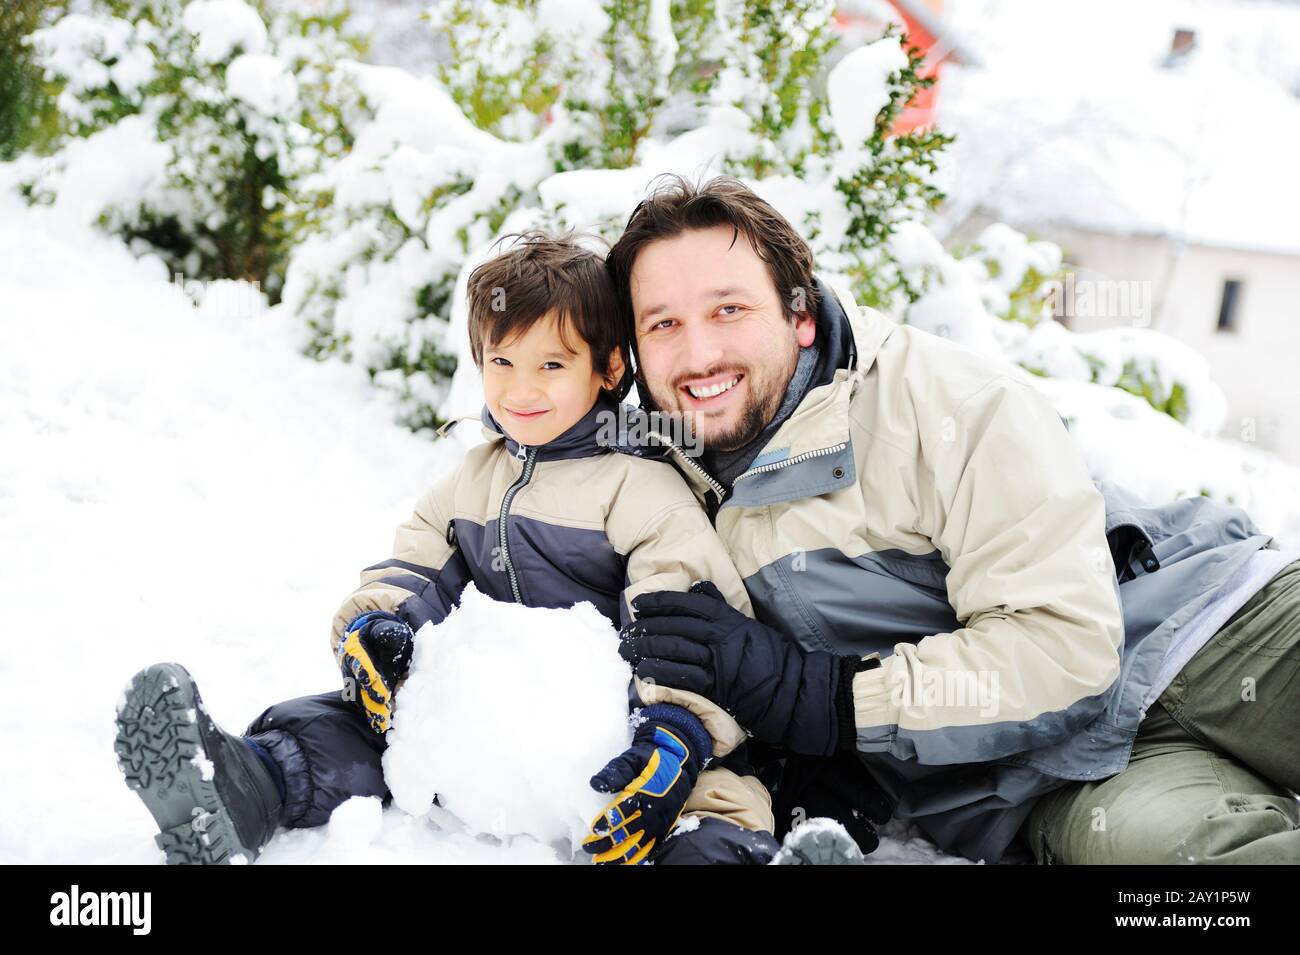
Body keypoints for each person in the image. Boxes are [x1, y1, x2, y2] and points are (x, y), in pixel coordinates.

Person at [606, 174, 1300, 864]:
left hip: (1216, 625)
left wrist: (830, 700)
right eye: (663, 323)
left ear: (801, 315)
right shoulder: (645, 496)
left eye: (729, 309)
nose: (698, 355)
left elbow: (1065, 645)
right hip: (1057, 780)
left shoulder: (938, 400)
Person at [113, 232, 780, 865]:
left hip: (613, 742)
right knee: (338, 726)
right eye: (502, 362)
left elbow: (691, 619)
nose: (522, 389)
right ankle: (242, 785)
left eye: (552, 364)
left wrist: (676, 727)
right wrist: (380, 626)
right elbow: (412, 566)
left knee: (713, 803)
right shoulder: (472, 480)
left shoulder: (640, 486)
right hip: (474, 733)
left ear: (609, 368)